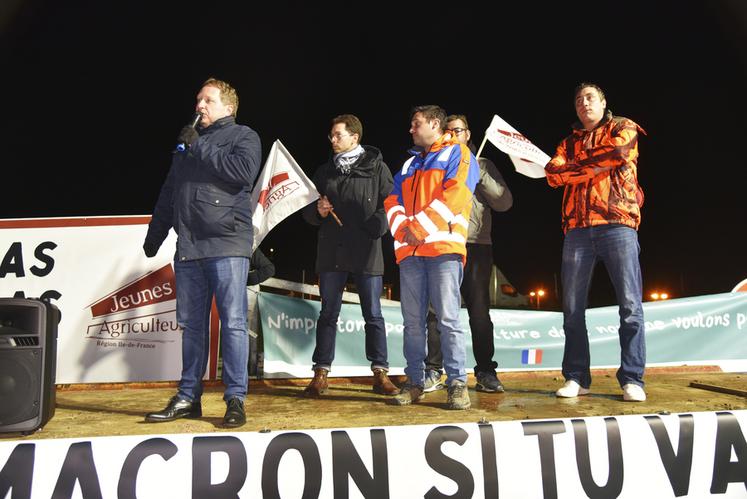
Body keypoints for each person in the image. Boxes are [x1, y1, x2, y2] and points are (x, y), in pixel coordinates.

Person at [142, 78, 262, 427]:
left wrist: (199, 147)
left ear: (227, 106)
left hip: (227, 243)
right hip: (190, 247)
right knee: (192, 325)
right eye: (198, 100)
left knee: (234, 323)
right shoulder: (186, 145)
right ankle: (188, 397)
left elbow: (242, 173)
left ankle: (235, 399)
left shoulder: (243, 136)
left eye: (207, 100)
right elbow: (170, 190)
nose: (199, 106)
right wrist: (156, 231)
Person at [545, 82, 647, 402]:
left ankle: (632, 378)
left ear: (603, 102)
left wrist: (573, 168)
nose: (583, 103)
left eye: (590, 98)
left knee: (630, 305)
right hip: (576, 230)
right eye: (578, 100)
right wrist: (586, 166)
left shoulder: (623, 126)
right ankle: (577, 377)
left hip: (617, 224)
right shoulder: (567, 142)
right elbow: (551, 174)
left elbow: (617, 152)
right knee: (572, 308)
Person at [384, 105, 479, 410]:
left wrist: (417, 228)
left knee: (448, 320)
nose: (411, 129)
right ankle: (414, 383)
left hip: (441, 250)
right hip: (410, 252)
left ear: (435, 124)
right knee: (412, 323)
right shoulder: (410, 162)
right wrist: (403, 230)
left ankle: (457, 384)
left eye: (416, 123)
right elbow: (391, 198)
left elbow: (456, 195)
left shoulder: (459, 154)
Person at [300, 114, 398, 397]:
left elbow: (391, 204)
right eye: (331, 135)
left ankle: (380, 373)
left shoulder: (378, 168)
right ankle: (320, 373)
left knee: (373, 314)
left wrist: (378, 225)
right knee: (328, 313)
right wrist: (316, 211)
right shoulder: (323, 171)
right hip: (332, 250)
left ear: (355, 137)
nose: (332, 139)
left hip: (367, 250)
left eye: (338, 135)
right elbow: (309, 207)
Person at [423, 114, 513, 394]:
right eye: (447, 131)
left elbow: (504, 202)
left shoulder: (483, 163)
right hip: (442, 243)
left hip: (475, 245)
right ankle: (433, 370)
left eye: (457, 130)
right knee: (437, 312)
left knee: (479, 312)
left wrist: (477, 171)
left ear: (468, 133)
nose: (452, 135)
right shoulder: (436, 163)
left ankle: (486, 371)